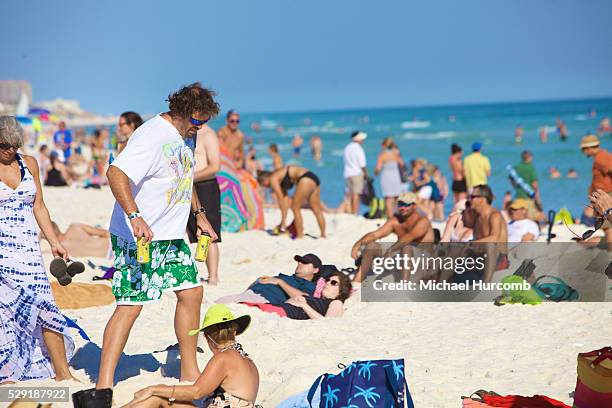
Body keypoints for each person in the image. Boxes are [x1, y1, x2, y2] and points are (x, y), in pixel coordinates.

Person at [90, 83, 220, 401]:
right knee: (131, 305)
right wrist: (135, 216)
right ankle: (103, 385)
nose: (200, 127)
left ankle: (189, 371)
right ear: (182, 111)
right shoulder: (152, 135)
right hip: (139, 236)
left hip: (171, 236)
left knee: (192, 292)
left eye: (203, 122)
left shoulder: (188, 134)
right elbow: (115, 173)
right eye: (198, 121)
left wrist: (199, 215)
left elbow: (183, 178)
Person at [0, 116, 76, 382]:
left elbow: (39, 206)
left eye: (14, 145)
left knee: (44, 304)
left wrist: (54, 241)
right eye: (4, 145)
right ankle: (7, 372)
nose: (10, 150)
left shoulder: (29, 163)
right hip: (2, 251)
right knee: (5, 311)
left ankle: (63, 373)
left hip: (30, 249)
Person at [123, 305, 259, 408]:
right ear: (234, 332)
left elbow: (196, 392)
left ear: (207, 337)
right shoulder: (248, 360)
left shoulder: (223, 359)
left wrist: (153, 388)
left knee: (156, 397)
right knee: (161, 395)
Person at [350, 192, 434, 282]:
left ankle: (404, 285)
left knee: (406, 247)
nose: (403, 208)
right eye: (401, 204)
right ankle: (356, 282)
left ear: (414, 206)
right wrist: (358, 244)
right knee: (372, 246)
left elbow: (410, 237)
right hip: (402, 260)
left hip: (423, 262)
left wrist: (391, 250)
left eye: (407, 204)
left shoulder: (423, 220)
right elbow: (376, 234)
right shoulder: (395, 220)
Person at [186, 123, 222, 285]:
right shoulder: (185, 132)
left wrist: (190, 177)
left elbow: (215, 166)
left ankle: (213, 276)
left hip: (205, 185)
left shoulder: (208, 134)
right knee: (193, 232)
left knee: (209, 232)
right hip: (187, 187)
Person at [215, 254, 322, 304]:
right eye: (299, 261)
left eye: (304, 262)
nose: (299, 263)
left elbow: (304, 298)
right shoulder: (288, 277)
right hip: (249, 293)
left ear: (315, 270)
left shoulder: (309, 285)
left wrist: (280, 282)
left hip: (265, 299)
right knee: (217, 303)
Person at [257, 165, 325, 238]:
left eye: (264, 185)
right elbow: (284, 199)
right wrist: (283, 221)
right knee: (316, 209)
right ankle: (323, 235)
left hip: (305, 179)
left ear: (265, 180)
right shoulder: (280, 176)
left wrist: (283, 222)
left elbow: (280, 199)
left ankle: (300, 235)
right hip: (313, 177)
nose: (266, 187)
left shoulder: (273, 179)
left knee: (295, 207)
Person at [580, 134, 612, 237]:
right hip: (603, 195)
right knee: (605, 226)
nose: (583, 152)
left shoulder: (601, 158)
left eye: (584, 149)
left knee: (608, 228)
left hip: (606, 195)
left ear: (589, 148)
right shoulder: (600, 156)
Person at [42, 221, 110, 258]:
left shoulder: (60, 249)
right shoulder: (74, 227)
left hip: (108, 256)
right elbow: (104, 233)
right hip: (112, 246)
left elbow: (43, 252)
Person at [375, 137, 404, 218]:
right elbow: (402, 164)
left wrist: (375, 172)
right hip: (395, 176)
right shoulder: (396, 153)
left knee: (388, 198)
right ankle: (398, 215)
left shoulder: (382, 155)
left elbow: (378, 168)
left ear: (384, 145)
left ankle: (390, 217)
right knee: (396, 197)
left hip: (386, 177)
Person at [510, 150, 543, 222]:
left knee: (519, 218)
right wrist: (537, 196)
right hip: (528, 196)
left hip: (518, 196)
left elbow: (511, 178)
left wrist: (515, 186)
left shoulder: (517, 167)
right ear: (529, 158)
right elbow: (534, 184)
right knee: (531, 217)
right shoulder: (530, 168)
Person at [343, 131, 368, 214]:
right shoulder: (359, 148)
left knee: (349, 194)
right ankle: (355, 212)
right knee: (356, 194)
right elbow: (362, 164)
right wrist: (366, 174)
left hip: (348, 173)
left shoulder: (347, 147)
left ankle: (349, 211)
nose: (363, 140)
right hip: (357, 173)